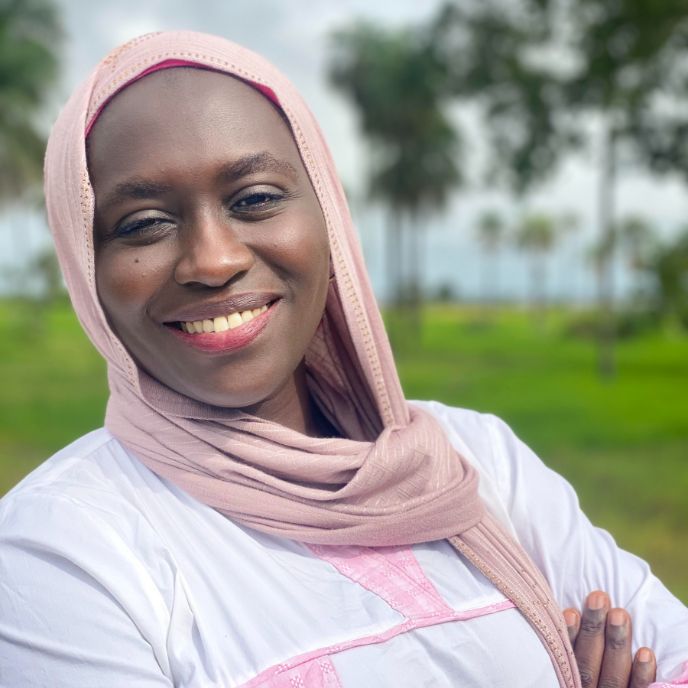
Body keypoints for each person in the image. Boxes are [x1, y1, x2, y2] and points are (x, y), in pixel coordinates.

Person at [0, 30, 685, 688]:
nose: (214, 260)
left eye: (255, 199)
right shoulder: (63, 552)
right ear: (86, 269)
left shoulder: (474, 461)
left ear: (327, 214)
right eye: (145, 224)